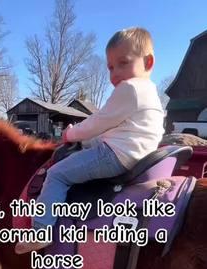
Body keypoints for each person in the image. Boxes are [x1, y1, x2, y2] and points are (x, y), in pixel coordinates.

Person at [15, 27, 164, 255]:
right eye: (111, 67)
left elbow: (97, 123)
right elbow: (115, 129)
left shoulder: (130, 88)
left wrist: (70, 135)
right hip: (136, 154)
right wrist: (88, 142)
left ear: (148, 62)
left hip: (116, 155)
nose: (114, 74)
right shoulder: (152, 93)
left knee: (57, 174)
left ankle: (41, 229)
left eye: (123, 63)